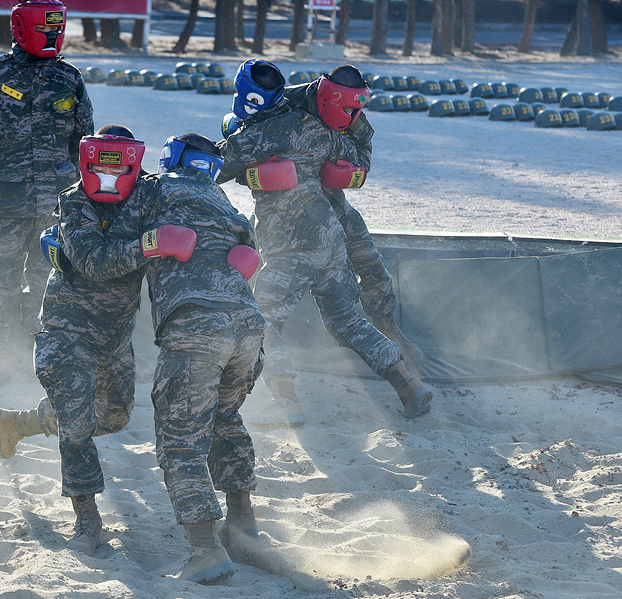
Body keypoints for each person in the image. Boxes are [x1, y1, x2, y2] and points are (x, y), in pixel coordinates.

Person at [59, 133, 265, 584]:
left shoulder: (151, 189)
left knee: (180, 439)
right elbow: (252, 254)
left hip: (196, 326)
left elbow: (108, 242)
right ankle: (245, 525)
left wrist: (61, 239)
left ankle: (207, 550)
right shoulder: (223, 200)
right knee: (225, 416)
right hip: (248, 326)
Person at [218, 59, 434, 422]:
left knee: (260, 321)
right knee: (347, 321)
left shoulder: (256, 136)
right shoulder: (316, 130)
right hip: (330, 240)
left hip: (292, 246)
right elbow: (347, 153)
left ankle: (287, 402)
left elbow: (213, 167)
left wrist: (237, 165)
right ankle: (409, 384)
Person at [0, 126, 149, 556]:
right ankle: (87, 520)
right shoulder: (74, 202)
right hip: (66, 329)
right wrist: (151, 246)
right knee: (77, 425)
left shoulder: (148, 195)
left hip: (115, 335)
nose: (107, 175)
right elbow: (95, 263)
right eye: (98, 164)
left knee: (112, 418)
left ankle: (15, 423)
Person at [0, 0, 94, 380]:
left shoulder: (69, 78)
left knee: (46, 281)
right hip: (7, 200)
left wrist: (83, 194)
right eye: (45, 30)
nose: (52, 37)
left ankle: (38, 355)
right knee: (4, 280)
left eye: (57, 31)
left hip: (56, 203)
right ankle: (2, 356)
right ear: (21, 29)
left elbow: (83, 141)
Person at [282, 65, 425, 366]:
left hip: (330, 197)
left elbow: (364, 161)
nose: (350, 115)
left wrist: (346, 172)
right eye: (345, 108)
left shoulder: (355, 116)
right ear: (328, 96)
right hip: (285, 204)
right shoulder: (287, 102)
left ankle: (387, 325)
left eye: (354, 109)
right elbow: (244, 135)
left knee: (368, 257)